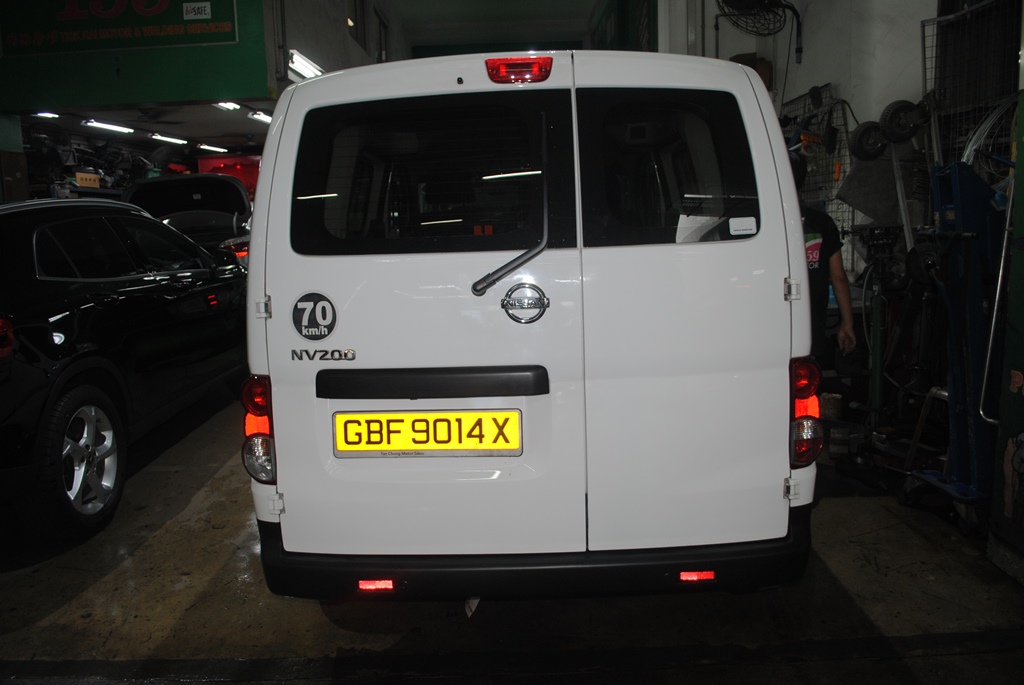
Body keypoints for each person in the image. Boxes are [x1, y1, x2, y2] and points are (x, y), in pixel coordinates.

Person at [790, 151, 856, 359]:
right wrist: (848, 323)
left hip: (771, 330)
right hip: (810, 331)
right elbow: (838, 277)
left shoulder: (763, 222)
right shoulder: (822, 223)